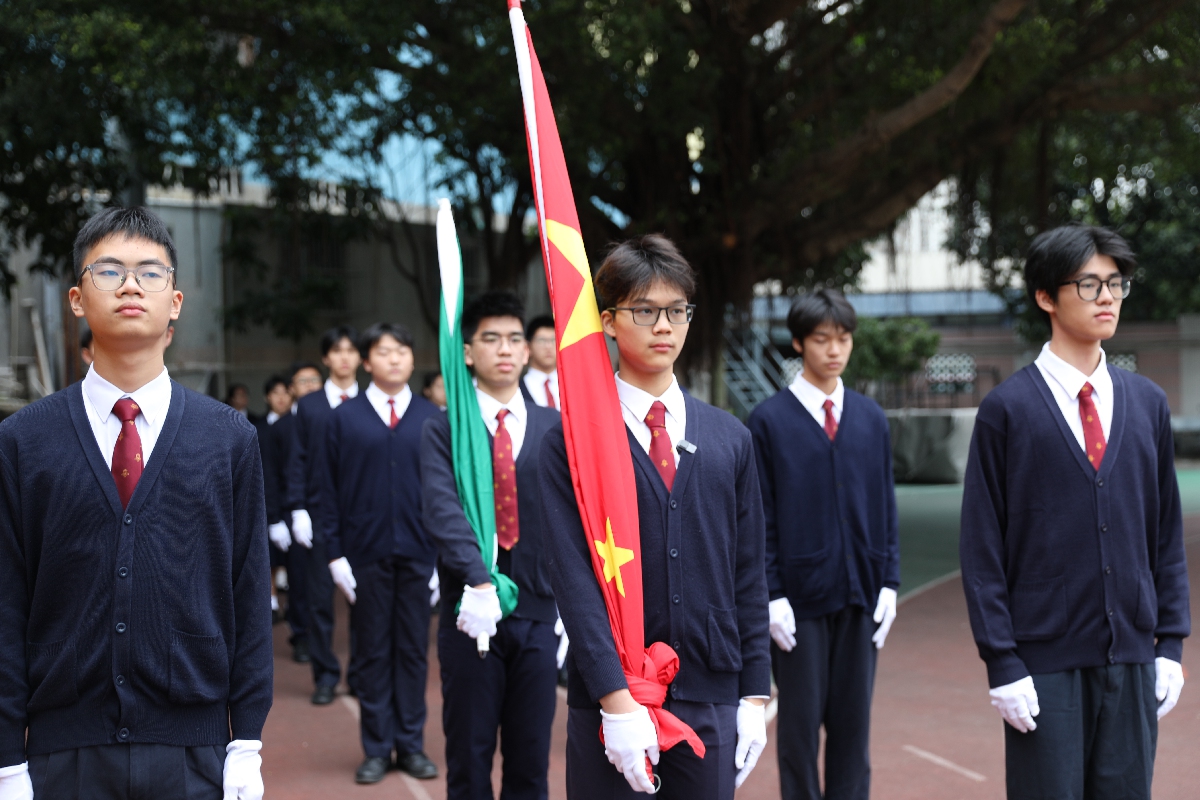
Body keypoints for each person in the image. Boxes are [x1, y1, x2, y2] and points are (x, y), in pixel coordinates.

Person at [0, 206, 271, 799]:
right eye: (109, 271)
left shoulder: (229, 438)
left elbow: (248, 593)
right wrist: (6, 761)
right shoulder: (23, 440)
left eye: (151, 272)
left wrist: (245, 743)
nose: (130, 284)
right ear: (76, 298)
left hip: (191, 750)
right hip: (61, 753)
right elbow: (6, 601)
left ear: (174, 301)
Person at [960, 224, 1189, 799]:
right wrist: (1003, 660)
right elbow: (983, 550)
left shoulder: (1148, 404)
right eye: (1089, 284)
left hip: (1134, 659)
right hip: (1043, 667)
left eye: (1115, 283)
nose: (1107, 297)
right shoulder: (1007, 411)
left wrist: (1170, 645)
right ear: (1046, 296)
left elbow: (1164, 535)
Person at [540, 234, 770, 800]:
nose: (663, 326)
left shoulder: (729, 438)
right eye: (644, 310)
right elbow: (572, 580)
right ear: (609, 321)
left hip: (710, 693)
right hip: (610, 698)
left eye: (676, 310)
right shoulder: (571, 443)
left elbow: (748, 571)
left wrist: (754, 696)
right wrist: (616, 704)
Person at [747, 289, 899, 800]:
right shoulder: (769, 421)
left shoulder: (871, 419)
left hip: (861, 594)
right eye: (821, 339)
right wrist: (771, 594)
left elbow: (885, 506)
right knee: (798, 730)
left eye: (843, 339)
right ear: (798, 343)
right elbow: (760, 515)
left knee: (853, 731)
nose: (834, 350)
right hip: (798, 604)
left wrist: (891, 582)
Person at [421, 291, 561, 800]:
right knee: (470, 760)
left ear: (527, 351)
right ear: (466, 351)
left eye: (515, 339)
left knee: (530, 762)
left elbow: (572, 520)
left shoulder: (555, 428)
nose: (505, 349)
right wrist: (478, 579)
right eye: (491, 339)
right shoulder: (446, 428)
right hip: (470, 612)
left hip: (539, 612)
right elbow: (442, 509)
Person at [319, 323, 441, 785]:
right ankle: (375, 748)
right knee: (370, 653)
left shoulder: (433, 417)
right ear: (367, 362)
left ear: (412, 360)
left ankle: (410, 745)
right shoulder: (343, 419)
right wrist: (335, 556)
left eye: (401, 351)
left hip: (419, 555)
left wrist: (441, 559)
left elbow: (447, 494)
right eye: (384, 352)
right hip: (363, 554)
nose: (394, 359)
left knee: (412, 653)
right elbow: (326, 491)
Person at [286, 326, 361, 705]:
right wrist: (297, 508)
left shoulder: (370, 401)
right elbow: (297, 459)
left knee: (364, 599)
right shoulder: (310, 405)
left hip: (362, 515)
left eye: (351, 350)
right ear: (326, 358)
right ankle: (326, 675)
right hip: (317, 512)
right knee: (319, 599)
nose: (345, 357)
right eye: (337, 350)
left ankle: (362, 674)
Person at [522, 314, 558, 409]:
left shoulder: (572, 387)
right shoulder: (516, 389)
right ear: (528, 347)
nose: (548, 346)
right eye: (541, 340)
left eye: (554, 340)